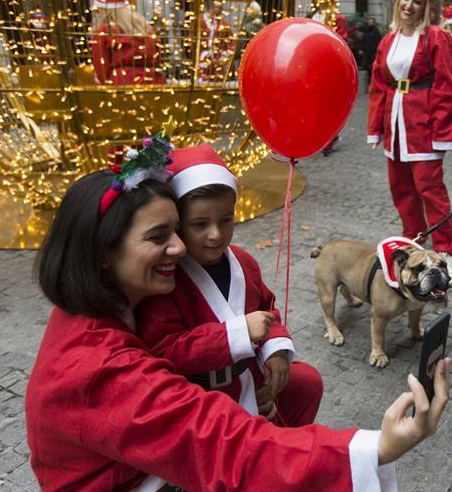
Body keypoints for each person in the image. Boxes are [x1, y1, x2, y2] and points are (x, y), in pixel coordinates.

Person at [25, 134, 450, 492]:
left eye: (175, 231)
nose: (179, 247)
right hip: (128, 486)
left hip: (176, 430)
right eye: (160, 237)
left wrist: (275, 346)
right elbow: (217, 442)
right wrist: (376, 449)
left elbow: (264, 306)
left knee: (301, 385)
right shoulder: (97, 368)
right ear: (102, 256)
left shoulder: (120, 302)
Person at [136, 144, 320, 424]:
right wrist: (237, 332)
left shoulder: (244, 262)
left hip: (251, 375)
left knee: (307, 383)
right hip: (204, 397)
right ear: (177, 224)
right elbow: (166, 350)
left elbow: (266, 307)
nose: (216, 234)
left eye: (226, 220)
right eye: (199, 224)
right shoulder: (168, 278)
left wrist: (275, 349)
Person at [367, 0, 452, 283]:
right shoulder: (387, 40)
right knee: (402, 188)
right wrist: (375, 127)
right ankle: (413, 236)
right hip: (396, 128)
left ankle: (445, 246)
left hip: (423, 125)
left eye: (417, 1)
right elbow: (379, 86)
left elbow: (445, 85)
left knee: (431, 190)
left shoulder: (434, 37)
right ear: (398, 2)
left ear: (425, 7)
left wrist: (444, 133)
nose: (410, 5)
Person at [90, 0, 165, 85]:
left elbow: (101, 68)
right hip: (154, 81)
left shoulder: (104, 31)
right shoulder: (145, 27)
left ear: (103, 9)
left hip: (123, 83)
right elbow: (157, 57)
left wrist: (107, 84)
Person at [199, 0, 236, 82]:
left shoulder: (222, 23)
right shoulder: (199, 22)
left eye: (220, 8)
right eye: (217, 7)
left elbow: (231, 40)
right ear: (210, 8)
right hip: (202, 56)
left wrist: (227, 53)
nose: (219, 10)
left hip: (218, 57)